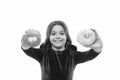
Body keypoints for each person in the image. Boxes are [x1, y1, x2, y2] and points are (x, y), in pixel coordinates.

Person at [21, 21, 103, 80]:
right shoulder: (43, 53)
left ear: (66, 36)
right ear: (49, 37)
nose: (57, 36)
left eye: (61, 33)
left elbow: (90, 54)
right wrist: (26, 40)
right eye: (53, 34)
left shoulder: (73, 55)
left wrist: (98, 47)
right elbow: (27, 49)